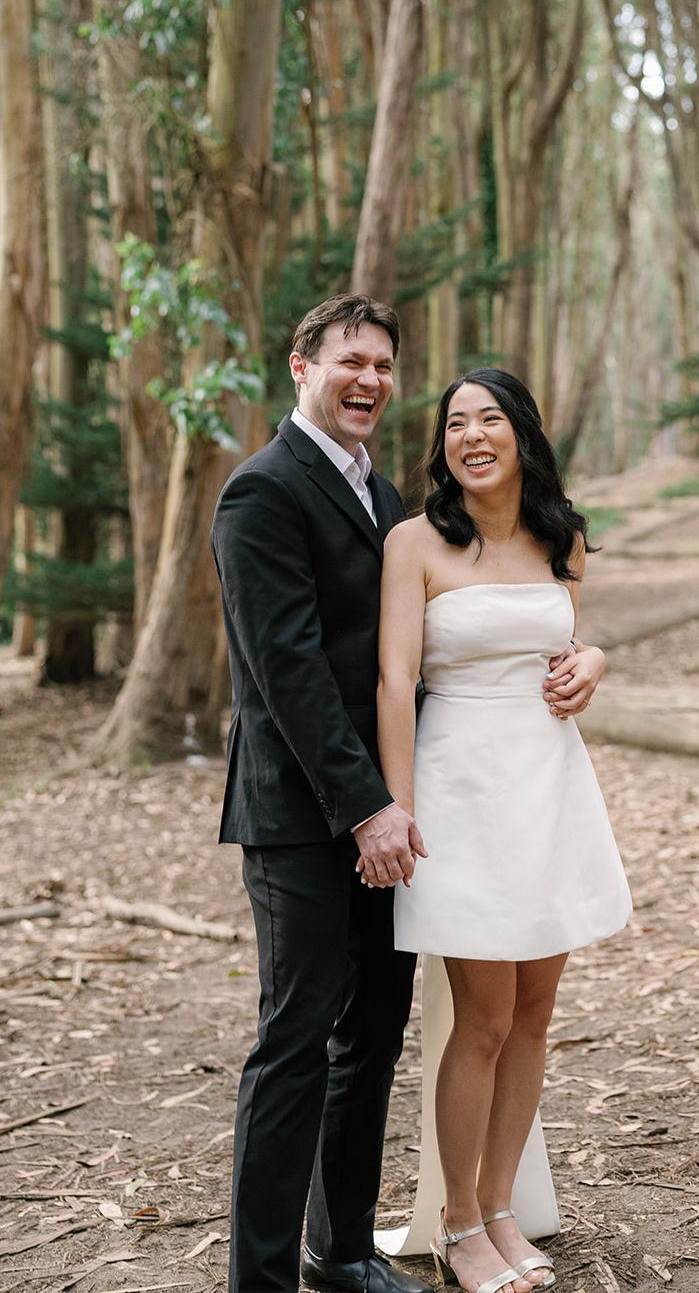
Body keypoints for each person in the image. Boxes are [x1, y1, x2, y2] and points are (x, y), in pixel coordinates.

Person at [365, 368, 632, 1293]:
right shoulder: (416, 543)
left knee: (533, 1016)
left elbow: (567, 640)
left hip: (549, 783)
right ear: (441, 448)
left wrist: (592, 658)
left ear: (523, 432)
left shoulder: (564, 538)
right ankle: (457, 1223)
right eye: (454, 425)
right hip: (460, 788)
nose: (471, 436)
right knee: (479, 1019)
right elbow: (395, 682)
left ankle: (505, 1205)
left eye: (489, 420)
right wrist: (397, 806)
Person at [211, 293, 430, 1293]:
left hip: (389, 817)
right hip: (304, 817)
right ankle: (259, 1281)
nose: (371, 380)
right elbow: (285, 668)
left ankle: (339, 1248)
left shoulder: (386, 501)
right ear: (300, 366)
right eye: (352, 360)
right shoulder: (262, 491)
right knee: (295, 1042)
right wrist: (364, 807)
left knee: (375, 1032)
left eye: (384, 365)